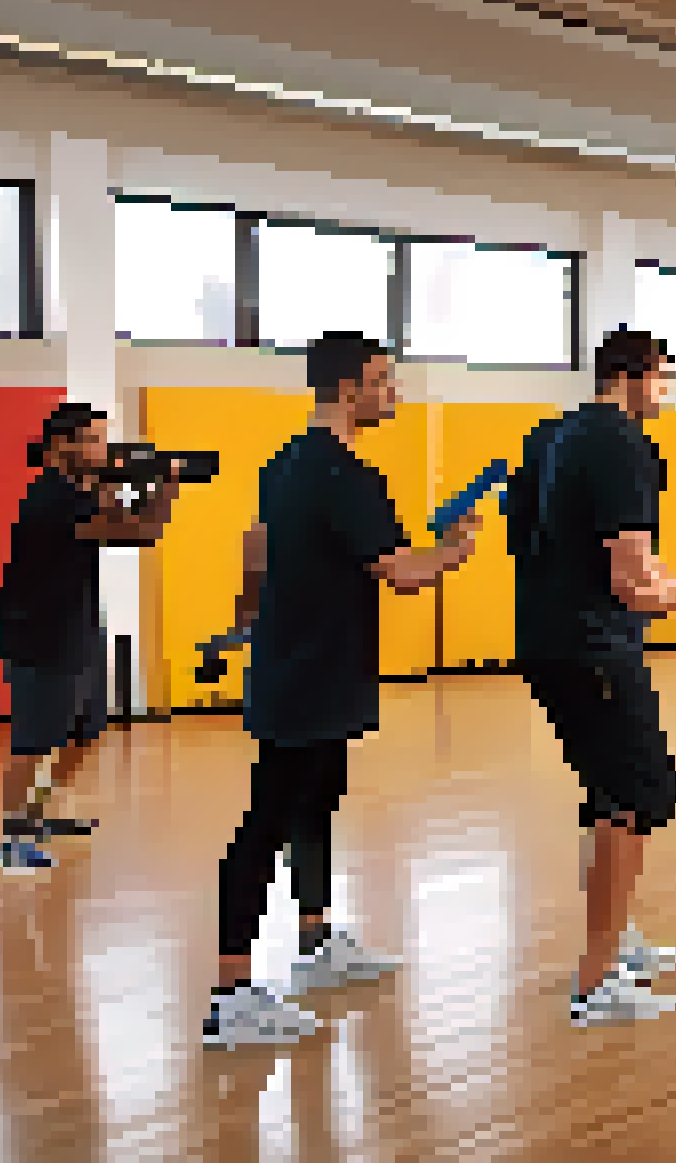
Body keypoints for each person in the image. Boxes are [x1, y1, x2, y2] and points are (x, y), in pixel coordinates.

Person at [204, 332, 483, 1049]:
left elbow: (256, 547)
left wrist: (248, 620)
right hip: (310, 674)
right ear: (350, 387)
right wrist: (456, 549)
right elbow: (403, 574)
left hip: (302, 667)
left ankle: (316, 936)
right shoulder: (348, 477)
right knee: (268, 821)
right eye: (384, 381)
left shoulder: (285, 464)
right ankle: (231, 993)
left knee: (314, 802)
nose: (394, 394)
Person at [511, 328, 676, 1026]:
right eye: (662, 377)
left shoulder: (557, 435)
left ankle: (614, 938)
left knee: (604, 793)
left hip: (549, 639)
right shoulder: (622, 445)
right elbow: (630, 580)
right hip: (594, 645)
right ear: (632, 376)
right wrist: (671, 594)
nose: (666, 391)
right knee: (633, 799)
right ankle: (596, 981)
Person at [0, 404, 184, 871]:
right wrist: (168, 488)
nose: (105, 449)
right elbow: (141, 530)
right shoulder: (54, 497)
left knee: (82, 734)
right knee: (33, 741)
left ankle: (36, 815)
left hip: (76, 628)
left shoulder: (80, 490)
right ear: (65, 447)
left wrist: (116, 481)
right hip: (41, 634)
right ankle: (13, 839)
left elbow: (117, 517)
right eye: (96, 440)